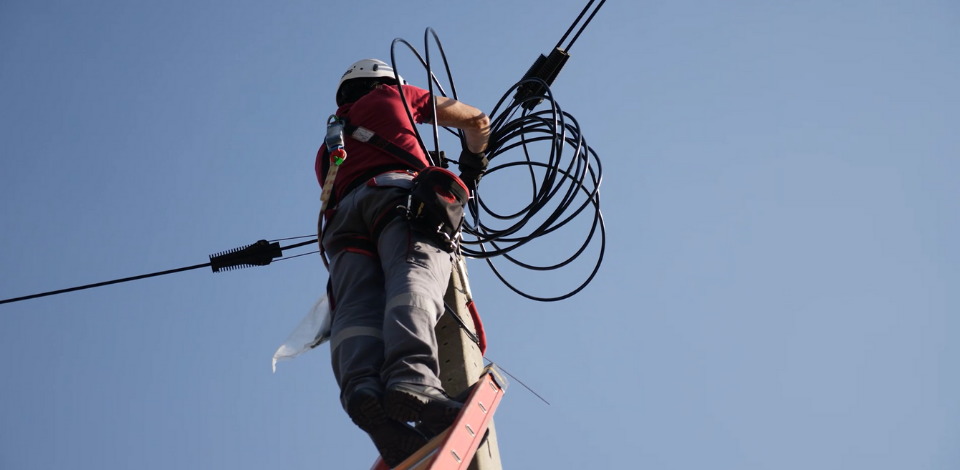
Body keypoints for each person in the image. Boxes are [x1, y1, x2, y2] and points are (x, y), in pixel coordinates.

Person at [315, 58, 490, 466]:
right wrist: (473, 162)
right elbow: (477, 121)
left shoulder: (326, 148)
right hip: (396, 198)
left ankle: (363, 389)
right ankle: (413, 378)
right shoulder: (392, 95)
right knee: (414, 276)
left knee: (356, 308)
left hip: (341, 226)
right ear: (384, 82)